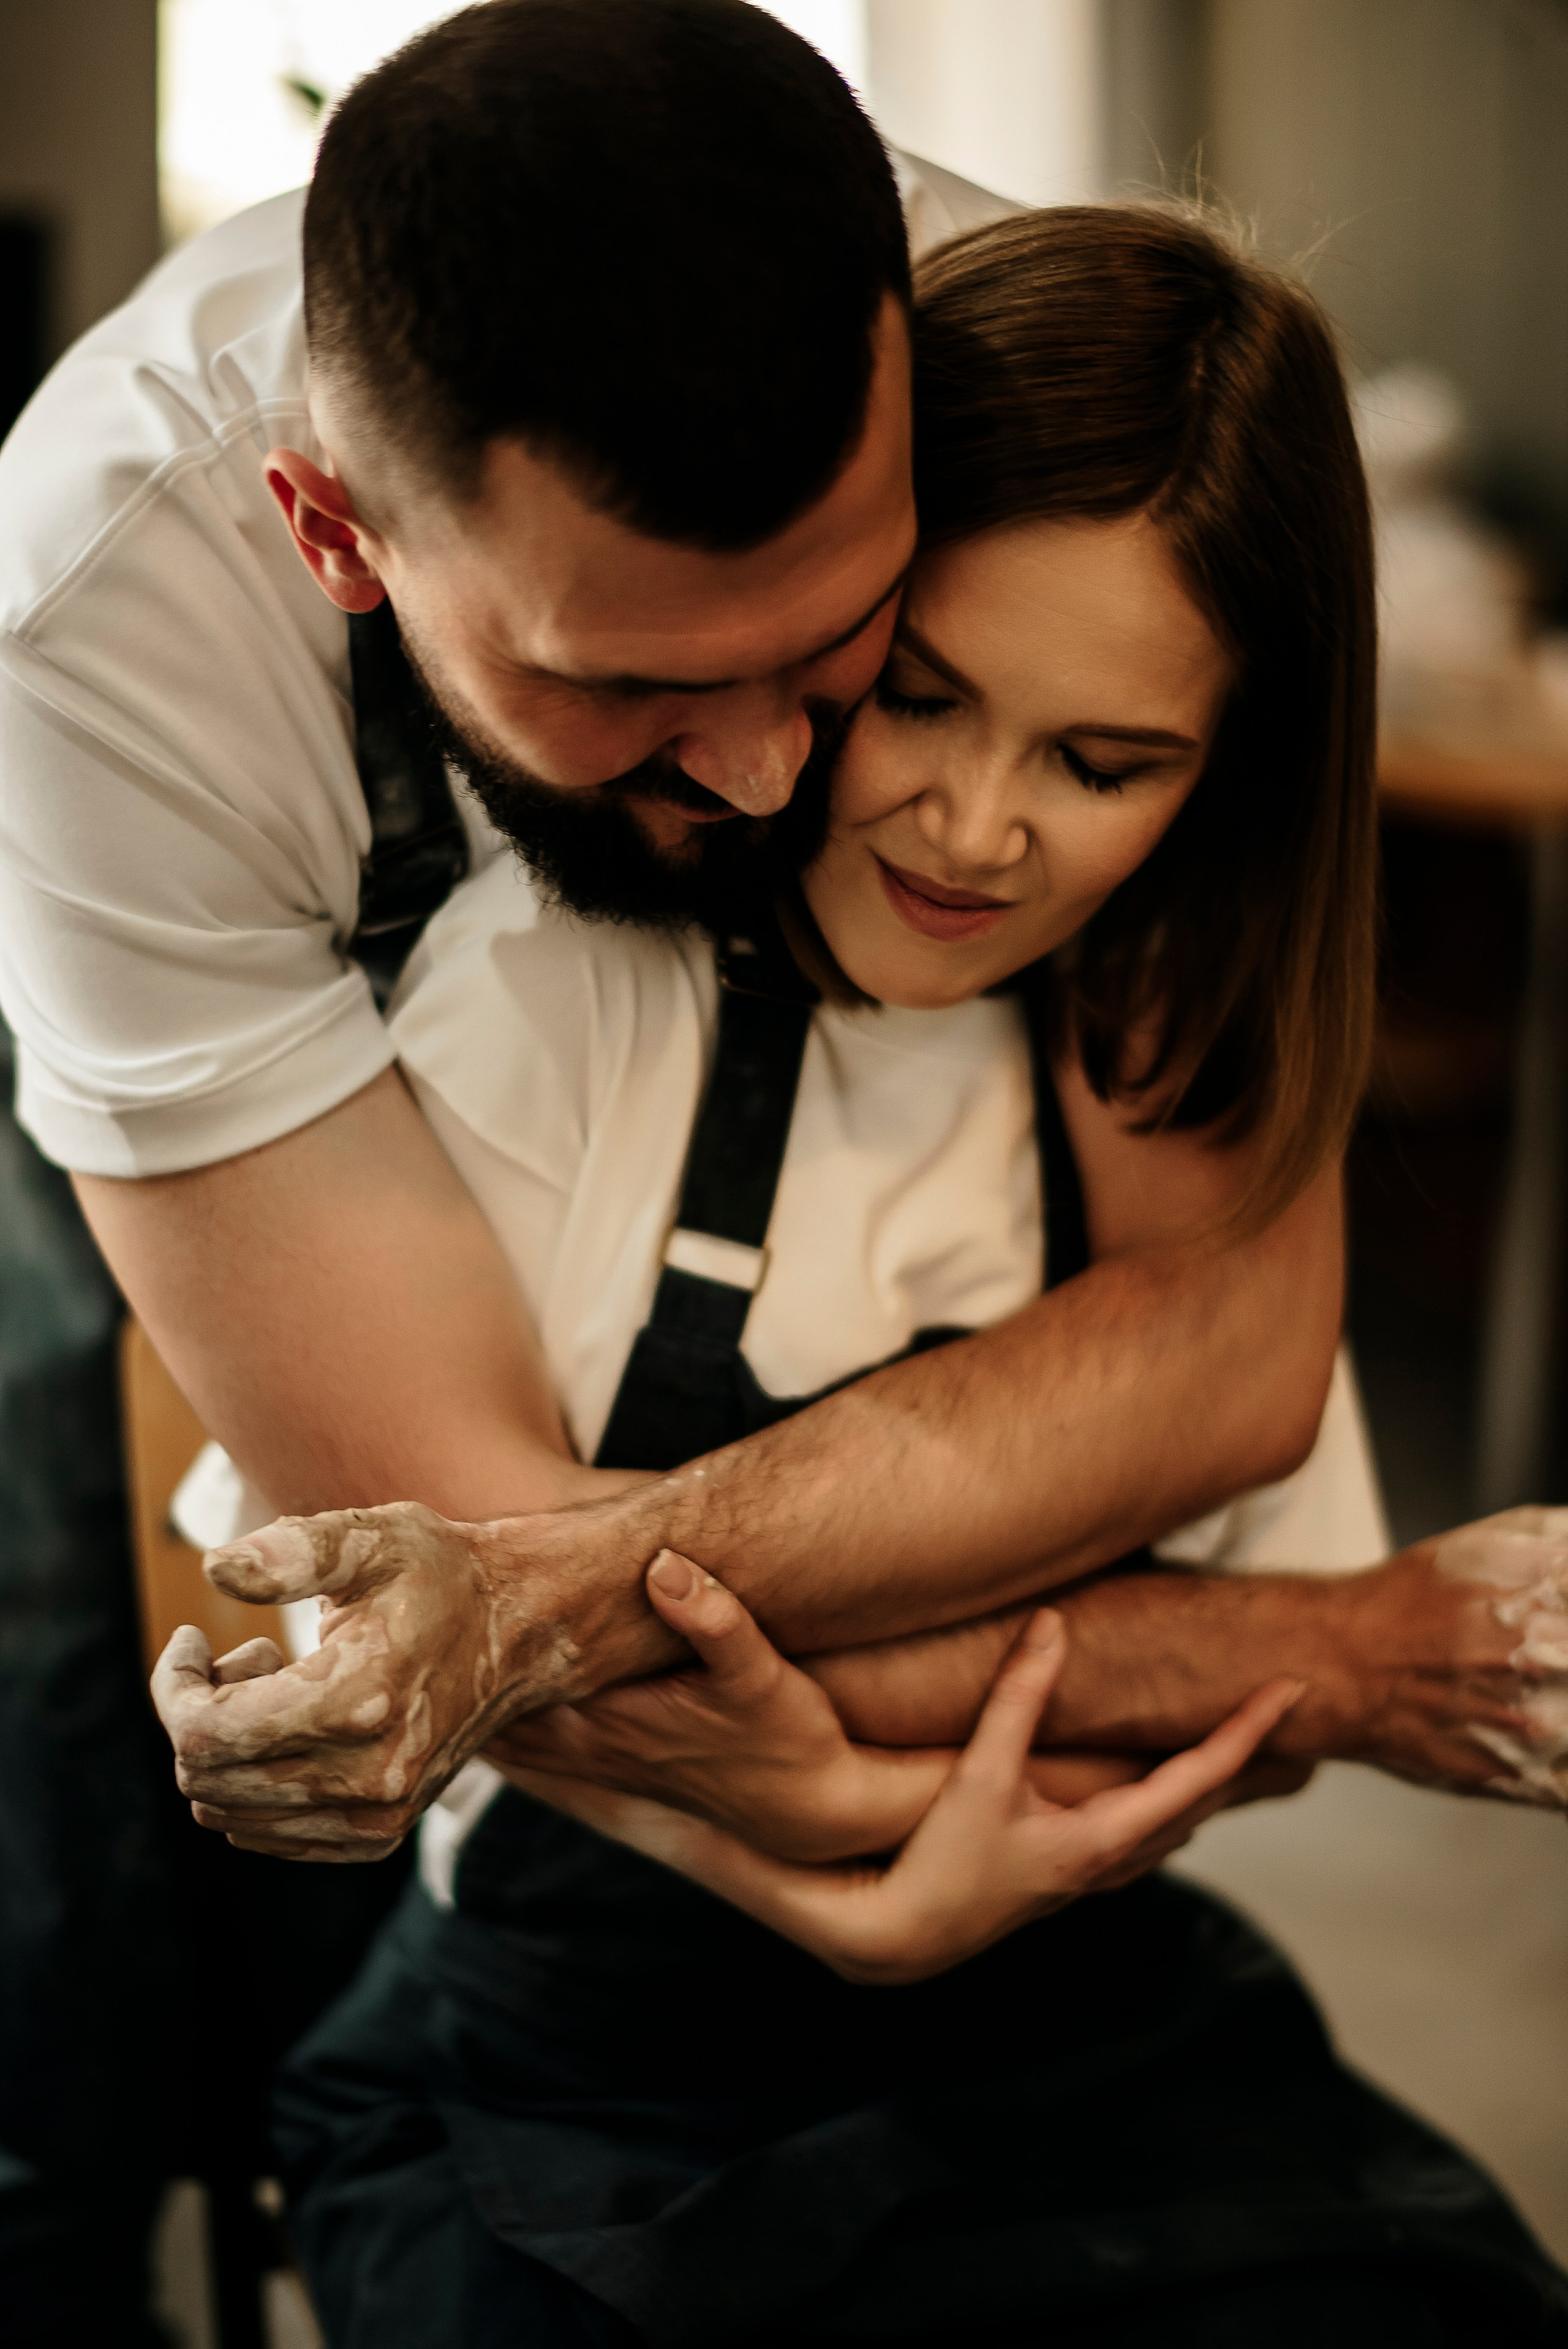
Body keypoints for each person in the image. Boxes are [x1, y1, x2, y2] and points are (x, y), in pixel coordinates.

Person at [221, 205, 1564, 2345]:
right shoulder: (547, 996)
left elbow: (1274, 1729)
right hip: (584, 2053)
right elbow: (478, 1628)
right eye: (920, 695)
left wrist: (1294, 1654)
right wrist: (1328, 1638)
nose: (972, 830)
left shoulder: (1162, 1058)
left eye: (1106, 763)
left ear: (1229, 776)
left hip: (1075, 2013)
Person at [0, 2, 1373, 1874]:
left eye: (853, 629)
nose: (764, 769)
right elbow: (464, 1580)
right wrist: (829, 1834)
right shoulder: (101, 635)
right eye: (633, 678)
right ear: (336, 536)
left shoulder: (1007, 352)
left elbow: (1224, 1344)